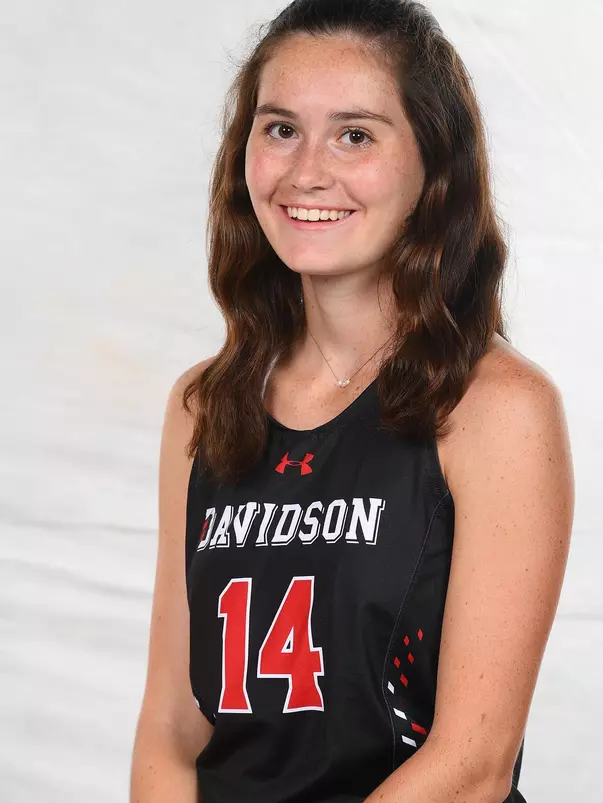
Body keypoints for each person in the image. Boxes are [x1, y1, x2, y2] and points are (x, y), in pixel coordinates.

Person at [130, 1, 574, 801]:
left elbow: (472, 765)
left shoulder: (498, 408)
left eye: (356, 134)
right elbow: (172, 724)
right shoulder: (202, 406)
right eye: (279, 129)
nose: (307, 172)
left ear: (431, 169)